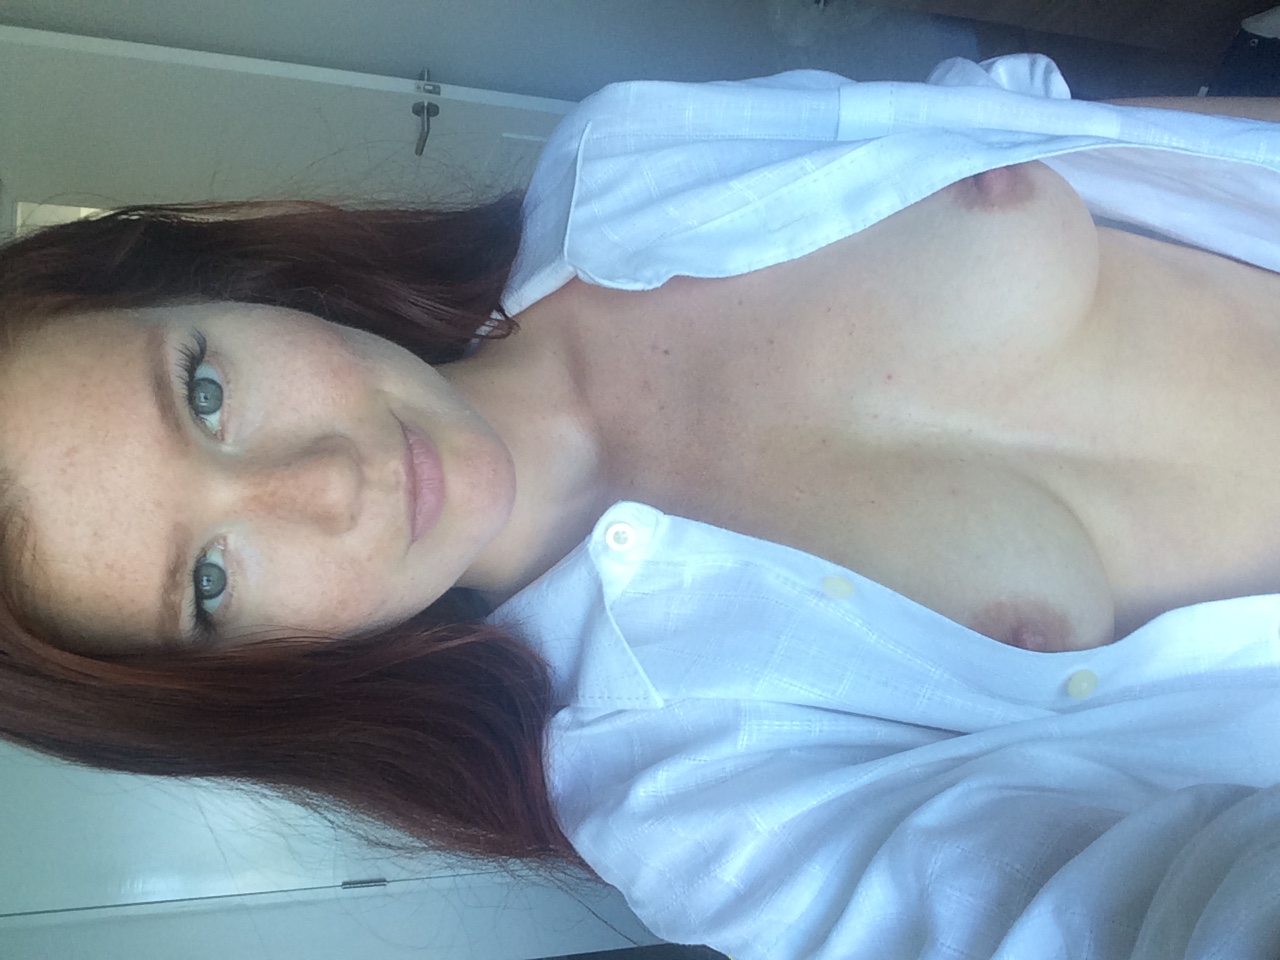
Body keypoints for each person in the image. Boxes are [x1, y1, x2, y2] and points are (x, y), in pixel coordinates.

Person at [1, 51, 1278, 959]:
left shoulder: (623, 160)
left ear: (216, 286)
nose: (323, 482)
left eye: (205, 390)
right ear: (244, 679)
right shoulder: (677, 786)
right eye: (210, 578)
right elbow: (1101, 924)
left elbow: (1075, 134)